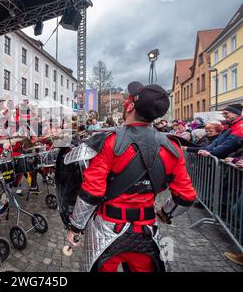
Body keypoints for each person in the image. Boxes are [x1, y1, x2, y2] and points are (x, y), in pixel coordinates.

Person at [66, 81, 197, 272]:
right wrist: (166, 212)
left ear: (130, 106)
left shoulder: (109, 140)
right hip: (146, 231)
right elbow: (186, 196)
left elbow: (92, 192)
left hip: (106, 230)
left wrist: (76, 228)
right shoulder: (172, 147)